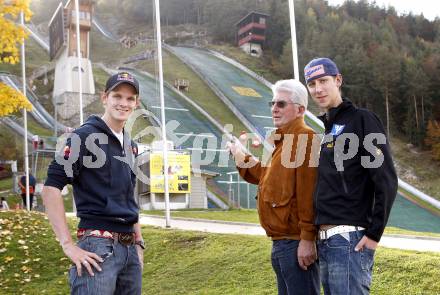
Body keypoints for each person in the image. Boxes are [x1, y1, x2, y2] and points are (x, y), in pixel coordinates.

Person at [42, 72, 145, 295]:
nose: (123, 103)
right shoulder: (84, 137)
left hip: (129, 250)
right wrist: (67, 245)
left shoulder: (131, 145)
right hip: (98, 248)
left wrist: (139, 242)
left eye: (130, 99)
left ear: (136, 103)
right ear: (104, 98)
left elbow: (128, 195)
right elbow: (51, 187)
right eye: (117, 96)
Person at [304, 57, 398, 294]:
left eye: (323, 81)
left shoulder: (362, 119)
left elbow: (386, 179)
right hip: (325, 241)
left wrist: (374, 234)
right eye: (312, 83)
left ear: (338, 80)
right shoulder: (328, 129)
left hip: (348, 239)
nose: (318, 89)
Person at [227, 79, 320, 295]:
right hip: (280, 244)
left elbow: (309, 195)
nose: (274, 109)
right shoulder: (282, 143)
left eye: (281, 104)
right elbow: (263, 175)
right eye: (272, 103)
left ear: (300, 110)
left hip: (295, 244)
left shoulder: (305, 139)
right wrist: (240, 154)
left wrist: (307, 239)